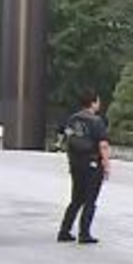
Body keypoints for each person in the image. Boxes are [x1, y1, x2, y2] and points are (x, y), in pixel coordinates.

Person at [57, 90, 110, 244]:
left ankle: (64, 230)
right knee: (90, 199)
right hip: (92, 162)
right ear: (93, 103)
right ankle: (84, 232)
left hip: (75, 162)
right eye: (98, 101)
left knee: (76, 198)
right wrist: (106, 165)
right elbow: (103, 144)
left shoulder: (72, 119)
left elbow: (66, 137)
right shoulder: (96, 121)